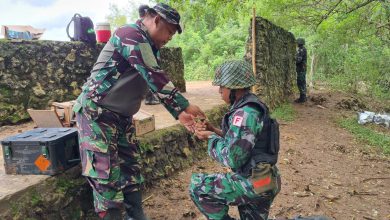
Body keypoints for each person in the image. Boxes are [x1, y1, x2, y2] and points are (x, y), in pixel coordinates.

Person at [73, 3, 204, 219]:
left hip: (122, 118)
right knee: (107, 182)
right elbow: (153, 74)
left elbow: (152, 82)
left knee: (131, 176)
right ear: (156, 20)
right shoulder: (129, 34)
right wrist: (184, 105)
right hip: (96, 115)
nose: (170, 37)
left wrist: (180, 114)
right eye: (169, 31)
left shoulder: (150, 47)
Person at [190, 60, 281, 220]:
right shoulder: (250, 107)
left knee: (199, 187)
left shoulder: (244, 114)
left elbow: (233, 158)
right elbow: (240, 141)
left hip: (254, 182)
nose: (219, 91)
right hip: (265, 180)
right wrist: (213, 130)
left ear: (234, 88)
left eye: (222, 87)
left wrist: (210, 138)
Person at [138, 4, 161, 105]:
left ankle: (150, 96)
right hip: (147, 57)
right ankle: (149, 98)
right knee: (149, 73)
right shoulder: (140, 29)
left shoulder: (141, 26)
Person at [295, 38, 307, 103]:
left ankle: (302, 98)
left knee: (300, 82)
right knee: (302, 82)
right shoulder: (303, 49)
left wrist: (293, 58)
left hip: (301, 69)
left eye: (297, 43)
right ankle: (303, 97)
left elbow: (298, 60)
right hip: (302, 69)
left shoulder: (301, 50)